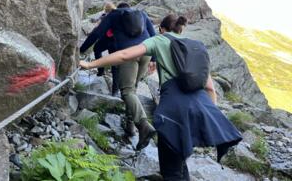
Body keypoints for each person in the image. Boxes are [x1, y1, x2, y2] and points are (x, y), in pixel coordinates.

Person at [79, 14, 243, 180]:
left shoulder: (159, 40)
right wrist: (206, 119)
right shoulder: (197, 46)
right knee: (180, 162)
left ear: (162, 29)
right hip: (201, 108)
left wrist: (90, 64)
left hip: (173, 110)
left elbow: (124, 55)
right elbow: (210, 89)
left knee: (170, 170)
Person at [80, 2, 157, 150]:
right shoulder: (141, 13)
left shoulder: (113, 15)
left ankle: (144, 125)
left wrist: (82, 50)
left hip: (128, 54)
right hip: (145, 52)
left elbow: (97, 33)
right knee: (132, 89)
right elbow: (153, 35)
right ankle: (130, 127)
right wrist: (154, 59)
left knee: (127, 91)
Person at [89, 2, 119, 96]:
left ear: (105, 9)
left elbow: (97, 28)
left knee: (97, 50)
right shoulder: (119, 16)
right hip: (116, 42)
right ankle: (115, 90)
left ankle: (101, 70)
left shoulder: (104, 16)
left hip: (106, 41)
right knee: (115, 65)